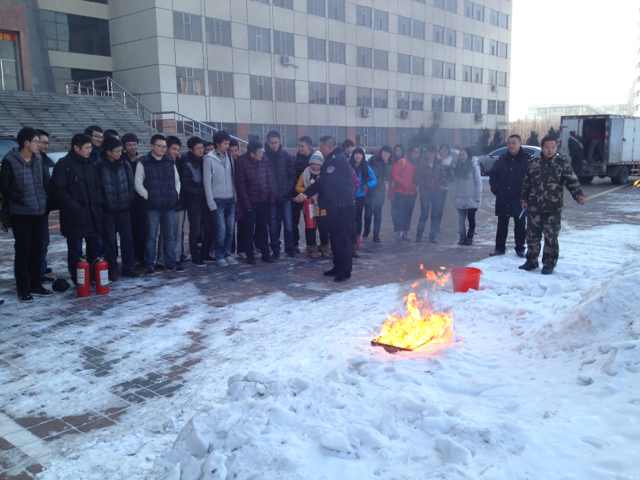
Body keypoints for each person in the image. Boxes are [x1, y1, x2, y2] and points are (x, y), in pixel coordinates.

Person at [520, 136, 586, 274]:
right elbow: (526, 183)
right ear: (542, 147)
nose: (549, 150)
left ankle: (549, 264)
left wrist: (578, 195)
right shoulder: (533, 163)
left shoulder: (562, 163)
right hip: (534, 206)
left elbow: (572, 181)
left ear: (556, 148)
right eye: (547, 147)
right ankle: (531, 261)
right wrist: (524, 199)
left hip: (553, 208)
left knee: (551, 237)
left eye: (552, 147)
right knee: (532, 236)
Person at [0, 127, 52, 301]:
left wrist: (45, 201)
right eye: (36, 141)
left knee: (38, 249)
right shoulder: (10, 160)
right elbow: (5, 187)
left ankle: (36, 284)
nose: (39, 144)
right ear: (26, 143)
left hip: (39, 211)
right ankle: (23, 288)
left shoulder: (38, 159)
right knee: (23, 251)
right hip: (21, 214)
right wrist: (19, 198)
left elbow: (44, 183)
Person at [295, 136, 355, 282]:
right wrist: (306, 194)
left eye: (321, 146)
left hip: (342, 207)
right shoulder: (331, 159)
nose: (319, 149)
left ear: (328, 146)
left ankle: (345, 271)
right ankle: (337, 266)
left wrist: (305, 194)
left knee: (342, 240)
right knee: (334, 238)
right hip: (334, 207)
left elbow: (323, 182)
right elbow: (323, 182)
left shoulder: (337, 160)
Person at [51, 133, 104, 284]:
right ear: (76, 148)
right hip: (74, 216)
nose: (89, 150)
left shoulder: (91, 163)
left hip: (92, 214)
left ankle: (93, 276)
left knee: (94, 248)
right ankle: (79, 279)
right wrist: (75, 207)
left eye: (90, 147)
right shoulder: (64, 165)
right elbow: (59, 191)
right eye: (86, 148)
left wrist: (98, 204)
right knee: (76, 250)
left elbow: (97, 187)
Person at [134, 134, 181, 274]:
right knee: (151, 236)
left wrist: (176, 194)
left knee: (170, 236)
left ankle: (170, 262)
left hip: (169, 205)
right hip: (152, 206)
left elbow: (177, 181)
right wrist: (148, 196)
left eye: (164, 146)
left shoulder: (169, 161)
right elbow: (138, 183)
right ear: (152, 146)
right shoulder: (143, 162)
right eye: (159, 146)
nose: (162, 149)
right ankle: (150, 264)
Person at [97, 136, 137, 281]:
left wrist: (129, 200)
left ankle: (129, 267)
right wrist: (104, 203)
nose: (120, 153)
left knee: (127, 240)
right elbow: (97, 188)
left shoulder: (125, 164)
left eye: (121, 150)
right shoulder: (99, 166)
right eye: (117, 151)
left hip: (124, 209)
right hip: (108, 210)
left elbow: (131, 185)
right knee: (110, 241)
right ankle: (112, 269)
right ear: (108, 152)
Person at [489, 134, 530, 257]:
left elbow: (532, 179)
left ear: (520, 144)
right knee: (502, 224)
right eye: (509, 143)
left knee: (520, 225)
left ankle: (520, 248)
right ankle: (499, 248)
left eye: (514, 143)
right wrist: (496, 189)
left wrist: (527, 195)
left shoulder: (527, 160)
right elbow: (493, 175)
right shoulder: (501, 159)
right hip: (503, 197)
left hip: (520, 199)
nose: (511, 145)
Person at [235, 140, 275, 264]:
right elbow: (240, 185)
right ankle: (250, 255)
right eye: (260, 152)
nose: (262, 154)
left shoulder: (264, 160)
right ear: (252, 154)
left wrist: (270, 196)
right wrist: (247, 204)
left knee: (263, 229)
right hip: (249, 202)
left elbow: (269, 178)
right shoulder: (241, 162)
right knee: (249, 230)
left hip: (263, 201)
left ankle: (265, 254)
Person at [204, 131, 237, 267]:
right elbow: (207, 182)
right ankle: (219, 255)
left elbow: (233, 177)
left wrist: (235, 196)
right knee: (221, 230)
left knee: (230, 229)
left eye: (228, 143)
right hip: (217, 200)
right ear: (217, 144)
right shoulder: (208, 158)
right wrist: (210, 202)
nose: (227, 146)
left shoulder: (229, 157)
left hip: (230, 199)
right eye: (225, 143)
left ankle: (227, 253)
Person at [265, 130, 296, 258]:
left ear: (280, 141)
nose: (274, 145)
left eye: (276, 142)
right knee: (273, 226)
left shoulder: (286, 156)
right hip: (271, 198)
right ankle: (275, 250)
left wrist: (287, 191)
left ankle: (289, 249)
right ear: (268, 143)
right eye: (272, 143)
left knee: (288, 224)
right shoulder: (264, 157)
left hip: (286, 197)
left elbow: (292, 176)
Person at [180, 137, 209, 267]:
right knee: (195, 229)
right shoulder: (186, 161)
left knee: (206, 227)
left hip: (205, 199)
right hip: (193, 200)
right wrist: (201, 191)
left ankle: (205, 253)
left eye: (202, 148)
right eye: (198, 148)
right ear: (191, 149)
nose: (201, 150)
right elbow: (185, 184)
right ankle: (195, 256)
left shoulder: (205, 160)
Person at [295, 150, 329, 258]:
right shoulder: (305, 172)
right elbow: (298, 187)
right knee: (310, 226)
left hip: (321, 204)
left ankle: (324, 246)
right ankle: (311, 247)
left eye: (317, 164)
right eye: (313, 163)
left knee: (323, 226)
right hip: (309, 204)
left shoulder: (324, 174)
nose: (315, 166)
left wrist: (319, 194)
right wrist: (308, 192)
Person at [415, 145, 452, 243]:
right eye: (430, 153)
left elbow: (443, 177)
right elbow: (417, 178)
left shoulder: (438, 164)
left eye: (433, 153)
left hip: (436, 193)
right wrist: (424, 187)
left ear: (435, 154)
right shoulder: (422, 164)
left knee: (435, 215)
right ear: (427, 153)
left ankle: (433, 236)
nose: (431, 155)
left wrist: (442, 183)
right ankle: (419, 236)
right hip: (425, 193)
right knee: (424, 214)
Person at [121, 133, 146, 268]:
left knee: (142, 230)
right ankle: (131, 259)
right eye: (129, 145)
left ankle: (142, 257)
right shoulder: (121, 160)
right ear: (124, 146)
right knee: (128, 233)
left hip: (141, 201)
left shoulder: (142, 160)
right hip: (127, 202)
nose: (132, 147)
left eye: (134, 144)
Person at [35, 129, 55, 281]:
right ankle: (36, 272)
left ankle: (40, 268)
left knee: (43, 241)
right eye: (43, 143)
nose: (46, 146)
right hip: (32, 208)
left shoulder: (44, 159)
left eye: (47, 143)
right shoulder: (32, 161)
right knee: (37, 241)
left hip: (43, 207)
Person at [350, 147, 377, 255]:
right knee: (350, 218)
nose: (358, 156)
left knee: (358, 218)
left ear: (363, 156)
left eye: (360, 154)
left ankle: (357, 239)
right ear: (353, 155)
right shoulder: (348, 166)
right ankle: (350, 239)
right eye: (356, 153)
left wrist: (367, 185)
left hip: (360, 196)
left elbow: (374, 180)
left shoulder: (366, 167)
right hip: (349, 196)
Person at [452, 147, 482, 246]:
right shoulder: (457, 166)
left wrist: (477, 197)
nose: (461, 156)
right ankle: (462, 237)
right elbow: (455, 183)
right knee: (460, 220)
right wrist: (454, 195)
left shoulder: (473, 166)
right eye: (460, 155)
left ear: (468, 155)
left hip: (471, 198)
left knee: (471, 219)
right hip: (460, 197)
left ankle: (469, 237)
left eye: (463, 154)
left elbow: (478, 182)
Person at [166, 136, 187, 268]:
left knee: (178, 232)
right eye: (173, 149)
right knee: (167, 234)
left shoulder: (180, 162)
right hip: (165, 204)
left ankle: (177, 257)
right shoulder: (162, 163)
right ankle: (165, 258)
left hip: (180, 203)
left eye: (178, 150)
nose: (176, 152)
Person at [364, 145, 392, 243]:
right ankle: (366, 231)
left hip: (380, 192)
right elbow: (366, 172)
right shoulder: (373, 159)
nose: (386, 154)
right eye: (385, 152)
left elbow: (388, 178)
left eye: (388, 153)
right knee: (368, 214)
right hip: (370, 191)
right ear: (381, 152)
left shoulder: (389, 163)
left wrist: (386, 164)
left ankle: (376, 235)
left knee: (378, 214)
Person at [390, 147, 417, 241]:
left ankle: (405, 233)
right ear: (410, 153)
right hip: (401, 192)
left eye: (417, 152)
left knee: (408, 214)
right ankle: (399, 233)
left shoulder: (416, 163)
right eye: (414, 152)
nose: (415, 154)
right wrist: (405, 184)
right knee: (400, 213)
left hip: (412, 193)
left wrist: (414, 186)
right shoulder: (402, 162)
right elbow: (395, 175)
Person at [293, 136, 313, 254]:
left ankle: (310, 245)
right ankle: (294, 244)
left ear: (309, 146)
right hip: (297, 194)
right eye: (299, 146)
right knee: (294, 220)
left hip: (310, 196)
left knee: (309, 221)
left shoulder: (315, 159)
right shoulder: (296, 159)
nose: (300, 148)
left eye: (302, 146)